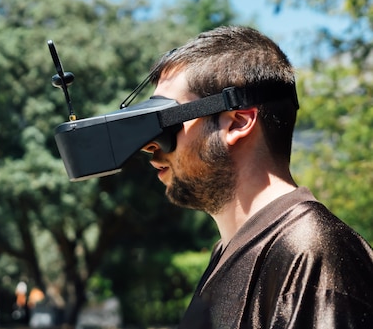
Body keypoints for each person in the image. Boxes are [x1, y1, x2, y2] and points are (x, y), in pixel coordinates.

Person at [139, 26, 373, 328]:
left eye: (166, 122)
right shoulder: (231, 249)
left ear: (237, 123)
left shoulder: (309, 250)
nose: (150, 145)